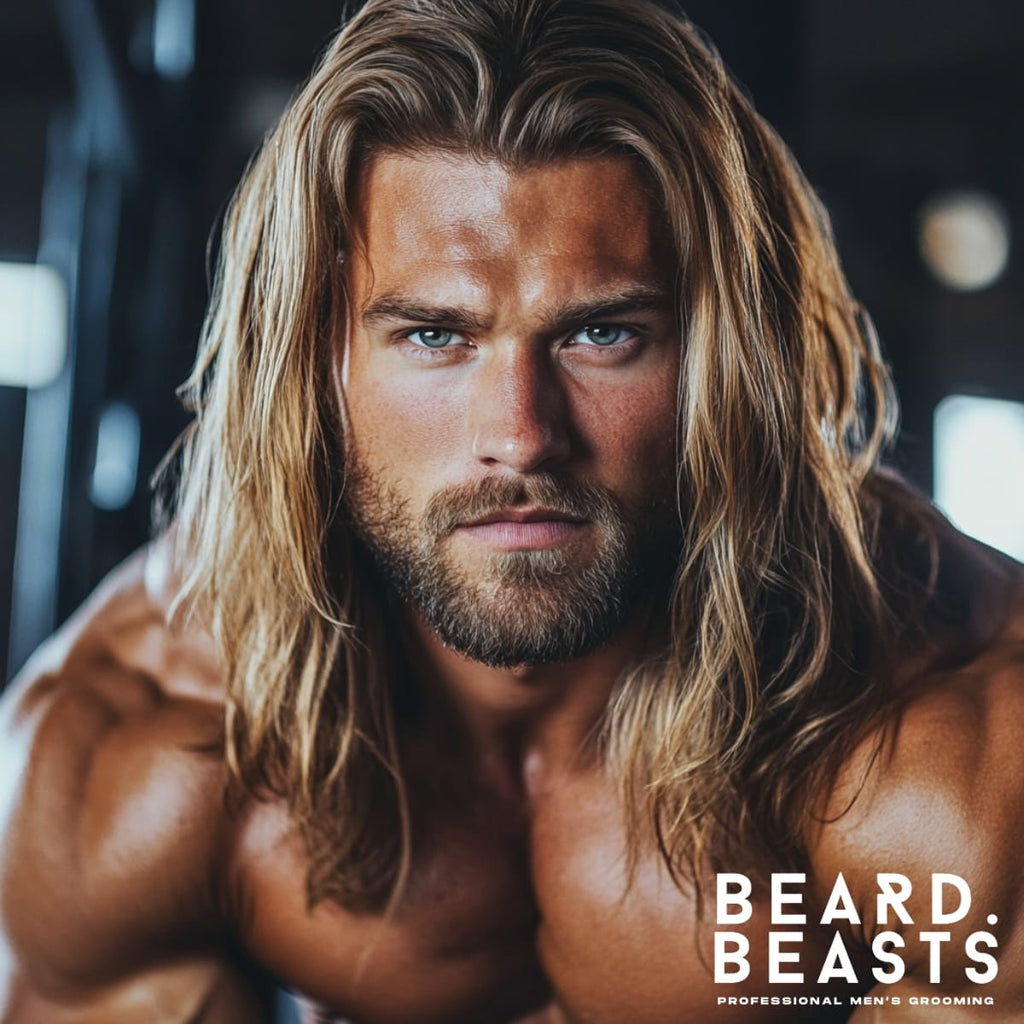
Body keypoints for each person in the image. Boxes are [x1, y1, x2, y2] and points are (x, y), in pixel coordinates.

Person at [1, 0, 1022, 1020]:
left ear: (726, 363)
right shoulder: (137, 749)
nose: (522, 436)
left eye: (603, 334)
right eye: (435, 337)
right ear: (314, 366)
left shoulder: (944, 737)